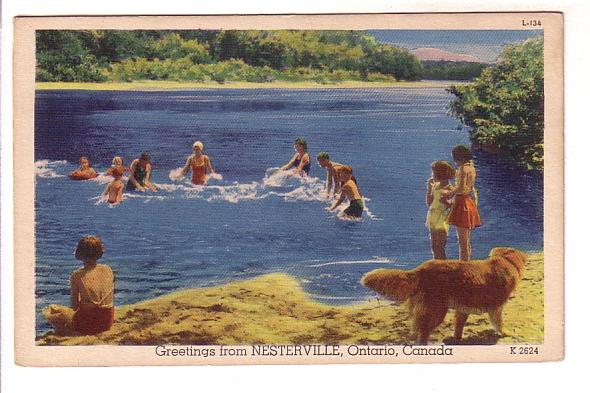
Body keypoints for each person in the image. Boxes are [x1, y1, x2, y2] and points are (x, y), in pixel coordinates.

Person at [43, 236, 115, 335]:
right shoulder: (108, 269)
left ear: (79, 253)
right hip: (107, 321)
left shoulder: (76, 275)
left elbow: (75, 306)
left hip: (87, 323)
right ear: (99, 252)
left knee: (53, 310)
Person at [445, 145, 482, 261]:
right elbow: (472, 189)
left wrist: (448, 193)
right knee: (467, 241)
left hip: (462, 203)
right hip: (469, 202)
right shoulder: (472, 168)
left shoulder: (461, 169)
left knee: (462, 241)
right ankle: (467, 263)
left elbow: (460, 188)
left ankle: (463, 266)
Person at [425, 161, 456, 260]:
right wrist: (429, 189)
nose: (431, 175)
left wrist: (448, 202)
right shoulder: (435, 186)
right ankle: (436, 266)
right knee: (434, 246)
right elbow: (429, 203)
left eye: (433, 173)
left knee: (440, 246)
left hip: (442, 219)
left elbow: (453, 205)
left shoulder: (450, 188)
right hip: (432, 217)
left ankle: (443, 267)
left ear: (440, 174)